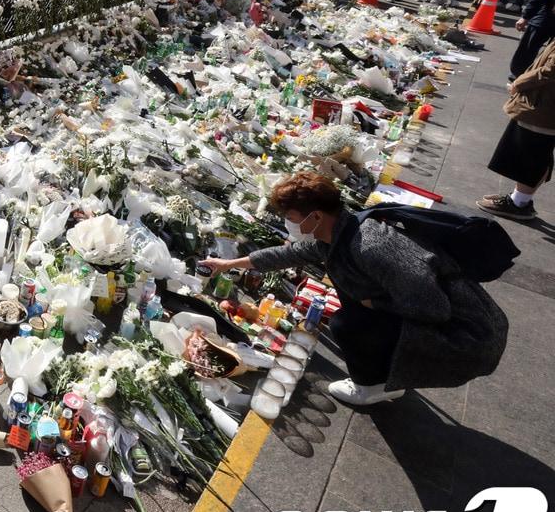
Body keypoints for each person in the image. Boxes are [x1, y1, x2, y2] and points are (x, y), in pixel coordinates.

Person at [200, 172, 507, 406]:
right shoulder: (337, 233)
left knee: (347, 324)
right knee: (352, 305)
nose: (289, 225)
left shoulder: (370, 245)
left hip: (468, 335)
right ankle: (389, 374)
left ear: (316, 216)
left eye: (291, 219)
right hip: (440, 314)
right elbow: (286, 255)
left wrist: (375, 304)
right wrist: (228, 264)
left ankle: (371, 387)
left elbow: (434, 308)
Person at [478, 36, 555, 220]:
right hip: (542, 104)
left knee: (532, 156)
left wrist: (519, 83)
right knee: (536, 154)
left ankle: (519, 203)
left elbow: (550, 70)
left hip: (544, 106)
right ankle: (519, 199)